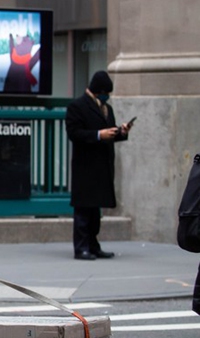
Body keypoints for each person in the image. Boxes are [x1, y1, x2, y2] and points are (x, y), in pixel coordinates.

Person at [65, 70, 133, 260]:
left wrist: (121, 132)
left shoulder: (107, 108)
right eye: (105, 92)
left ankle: (93, 245)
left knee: (95, 211)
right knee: (83, 209)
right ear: (97, 90)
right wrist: (98, 135)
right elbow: (74, 133)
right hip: (85, 166)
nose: (106, 97)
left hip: (102, 166)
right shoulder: (77, 106)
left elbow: (109, 133)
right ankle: (81, 247)